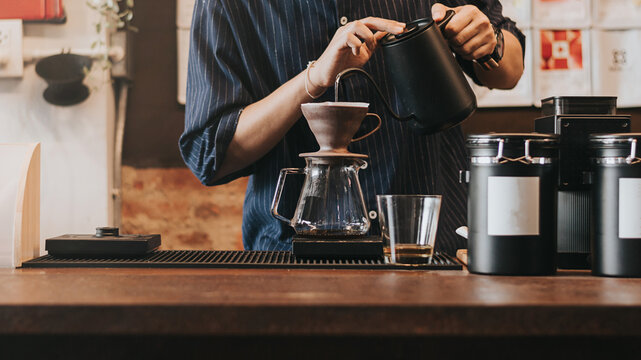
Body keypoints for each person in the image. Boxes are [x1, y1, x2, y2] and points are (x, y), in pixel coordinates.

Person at [180, 1, 525, 254]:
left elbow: (510, 70)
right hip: (292, 258)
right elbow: (211, 153)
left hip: (427, 247)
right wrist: (313, 79)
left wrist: (490, 41)